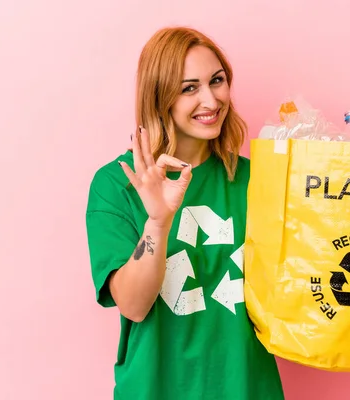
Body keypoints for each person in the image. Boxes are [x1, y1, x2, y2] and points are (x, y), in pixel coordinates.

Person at [85, 26, 284, 400]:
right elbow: (133, 304)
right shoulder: (116, 185)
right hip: (156, 389)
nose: (211, 100)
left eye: (217, 81)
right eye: (189, 88)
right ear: (160, 98)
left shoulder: (256, 179)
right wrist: (158, 222)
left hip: (248, 388)